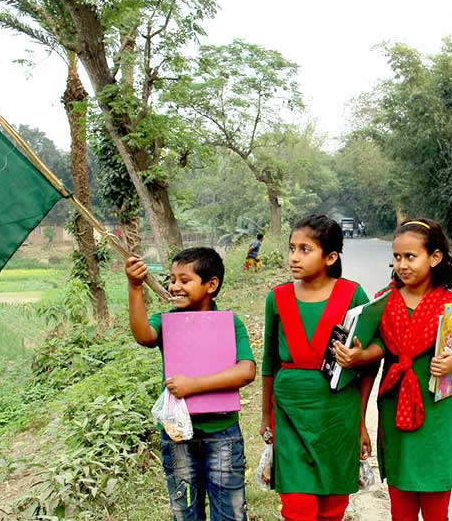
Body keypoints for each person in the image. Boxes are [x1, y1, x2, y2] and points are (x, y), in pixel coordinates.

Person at [366, 218, 452, 521]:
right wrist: (358, 354)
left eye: (411, 256)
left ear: (434, 257)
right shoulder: (384, 301)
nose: (402, 265)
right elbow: (376, 352)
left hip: (436, 419)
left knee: (437, 511)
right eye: (397, 257)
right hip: (394, 414)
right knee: (401, 510)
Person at [260, 215, 382, 521]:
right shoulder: (277, 298)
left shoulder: (352, 294)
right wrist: (266, 414)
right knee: (297, 508)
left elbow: (375, 356)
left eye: (304, 249)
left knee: (332, 508)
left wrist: (361, 420)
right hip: (289, 414)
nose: (294, 257)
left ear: (330, 257)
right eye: (292, 248)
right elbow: (269, 361)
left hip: (338, 416)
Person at [126, 247, 256, 521]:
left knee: (230, 513)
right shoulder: (166, 322)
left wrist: (194, 385)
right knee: (185, 513)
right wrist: (135, 287)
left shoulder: (230, 324)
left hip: (223, 433)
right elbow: (143, 335)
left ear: (211, 285)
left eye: (185, 280)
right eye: (173, 280)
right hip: (177, 434)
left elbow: (246, 371)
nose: (175, 287)